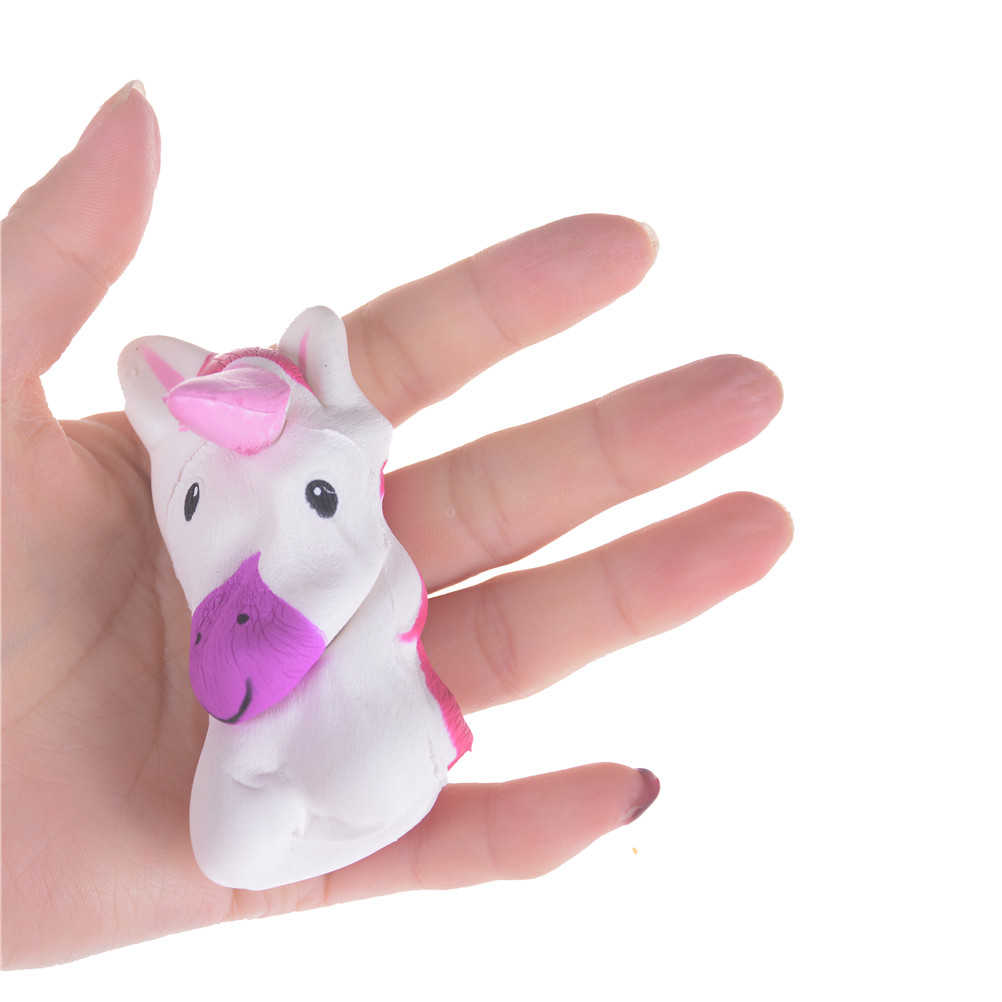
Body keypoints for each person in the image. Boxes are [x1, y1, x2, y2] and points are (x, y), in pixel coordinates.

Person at [0, 82, 793, 969]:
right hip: (273, 758)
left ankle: (325, 796)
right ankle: (291, 807)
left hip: (371, 751)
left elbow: (366, 602)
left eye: (316, 497)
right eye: (193, 501)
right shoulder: (223, 608)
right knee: (230, 838)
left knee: (341, 778)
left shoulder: (368, 582)